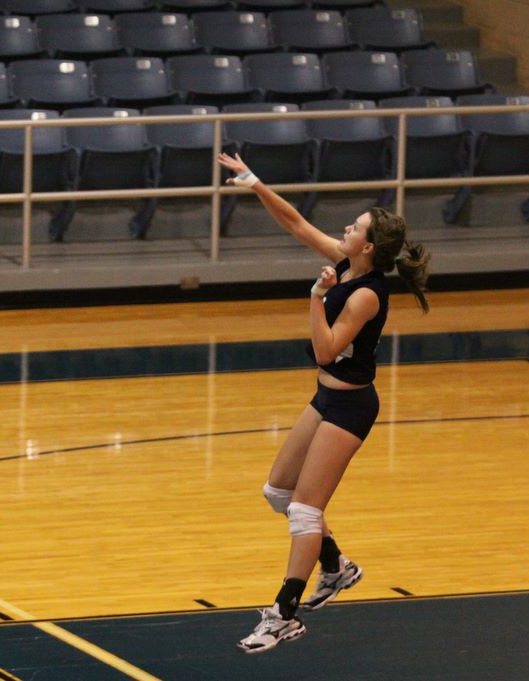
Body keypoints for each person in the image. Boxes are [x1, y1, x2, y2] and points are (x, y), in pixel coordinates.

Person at [216, 152, 430, 654]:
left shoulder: (366, 295)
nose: (345, 229)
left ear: (368, 246)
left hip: (352, 408)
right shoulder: (347, 262)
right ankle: (335, 566)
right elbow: (296, 222)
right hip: (325, 398)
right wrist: (255, 183)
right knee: (278, 492)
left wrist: (316, 297)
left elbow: (326, 350)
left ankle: (283, 615)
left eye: (354, 227)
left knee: (305, 511)